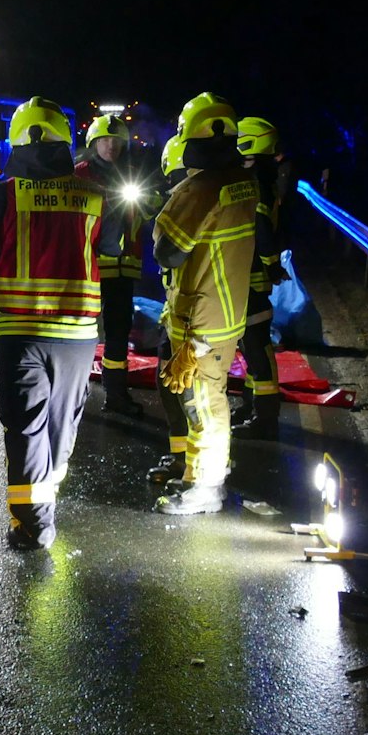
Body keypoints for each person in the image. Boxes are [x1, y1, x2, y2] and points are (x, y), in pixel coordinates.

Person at [0, 97, 123, 549]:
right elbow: (113, 247)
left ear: (18, 140)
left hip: (20, 334)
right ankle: (44, 502)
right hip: (77, 335)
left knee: (25, 427)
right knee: (61, 424)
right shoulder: (96, 196)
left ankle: (33, 524)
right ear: (64, 142)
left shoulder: (2, 196)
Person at [151, 93, 257, 515]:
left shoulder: (200, 189)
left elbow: (167, 252)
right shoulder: (242, 182)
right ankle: (200, 474)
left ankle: (206, 489)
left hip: (202, 319)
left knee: (204, 404)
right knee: (206, 397)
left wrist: (169, 206)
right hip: (225, 313)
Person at [74, 114, 151, 417]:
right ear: (93, 143)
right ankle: (71, 394)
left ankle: (116, 395)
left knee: (119, 332)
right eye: (105, 140)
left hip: (122, 268)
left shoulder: (131, 174)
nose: (111, 145)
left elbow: (146, 213)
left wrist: (151, 200)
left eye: (117, 141)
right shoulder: (79, 175)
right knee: (80, 332)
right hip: (89, 268)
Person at [230, 115, 287, 439]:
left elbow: (262, 232)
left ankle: (265, 417)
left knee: (257, 347)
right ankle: (251, 405)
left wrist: (271, 264)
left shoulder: (255, 183)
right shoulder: (261, 179)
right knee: (251, 348)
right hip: (250, 278)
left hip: (251, 279)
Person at [147, 132, 192, 480]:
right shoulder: (190, 200)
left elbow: (167, 253)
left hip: (194, 318)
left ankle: (195, 467)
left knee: (192, 397)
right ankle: (181, 457)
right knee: (171, 385)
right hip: (180, 314)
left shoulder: (190, 204)